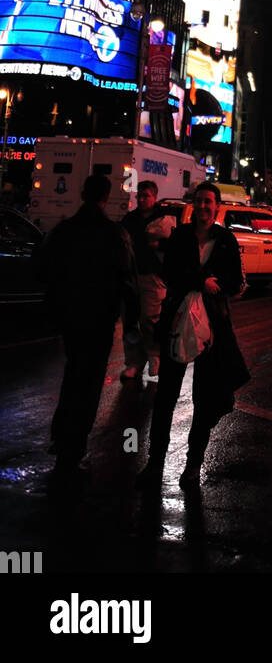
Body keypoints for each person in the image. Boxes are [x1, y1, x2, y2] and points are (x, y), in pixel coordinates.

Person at [137, 183, 249, 490]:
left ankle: (192, 467)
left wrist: (218, 284)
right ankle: (154, 464)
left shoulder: (225, 239)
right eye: (198, 201)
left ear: (216, 207)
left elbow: (234, 280)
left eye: (208, 202)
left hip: (212, 329)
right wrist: (202, 279)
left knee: (204, 398)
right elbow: (170, 273)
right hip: (176, 322)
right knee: (165, 399)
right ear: (193, 205)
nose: (203, 206)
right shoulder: (181, 236)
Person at [34, 173, 140, 493]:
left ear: (82, 193)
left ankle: (61, 439)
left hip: (71, 318)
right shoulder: (114, 234)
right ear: (106, 197)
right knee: (90, 382)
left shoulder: (64, 231)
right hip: (99, 319)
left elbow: (41, 267)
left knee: (73, 374)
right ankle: (74, 447)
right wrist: (130, 320)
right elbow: (129, 281)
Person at [121, 180, 175, 381]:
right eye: (140, 196)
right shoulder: (130, 219)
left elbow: (176, 245)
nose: (142, 200)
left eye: (146, 196)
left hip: (153, 276)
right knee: (131, 320)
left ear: (155, 196)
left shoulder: (165, 217)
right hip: (131, 275)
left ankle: (154, 356)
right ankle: (133, 362)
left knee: (150, 318)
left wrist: (160, 244)